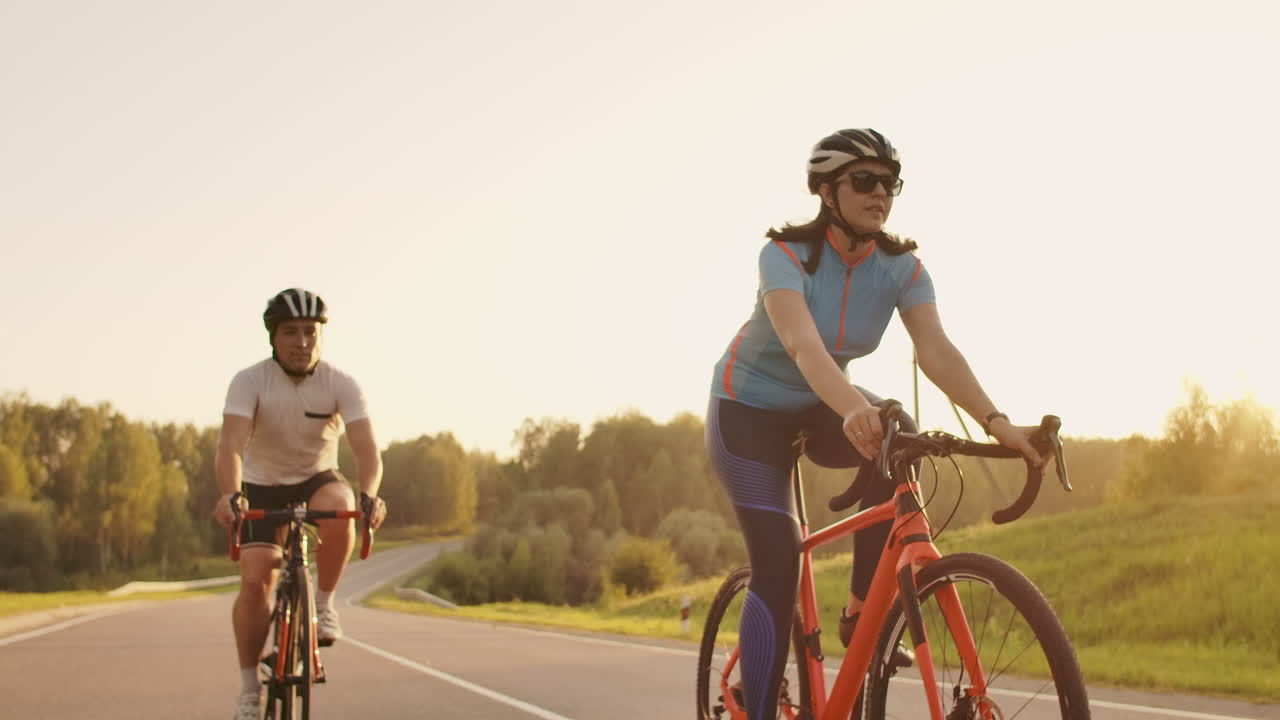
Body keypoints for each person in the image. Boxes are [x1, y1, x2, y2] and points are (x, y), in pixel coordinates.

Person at [705, 129, 1046, 719]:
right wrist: (853, 408)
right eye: (864, 180)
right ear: (827, 191)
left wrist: (998, 423)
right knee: (780, 559)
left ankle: (862, 608)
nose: (880, 193)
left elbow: (937, 351)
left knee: (900, 432)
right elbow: (803, 346)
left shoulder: (900, 267)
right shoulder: (783, 256)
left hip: (822, 405)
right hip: (747, 412)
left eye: (890, 183)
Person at [213, 288, 388, 720]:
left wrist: (370, 496)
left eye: (311, 332)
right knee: (255, 582)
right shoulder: (250, 380)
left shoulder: (340, 383)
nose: (302, 341)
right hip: (261, 483)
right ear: (273, 337)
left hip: (316, 477)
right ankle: (249, 689)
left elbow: (367, 452)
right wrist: (230, 494)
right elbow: (231, 445)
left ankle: (325, 607)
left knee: (341, 505)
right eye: (291, 332)